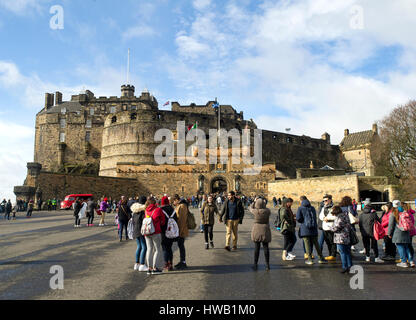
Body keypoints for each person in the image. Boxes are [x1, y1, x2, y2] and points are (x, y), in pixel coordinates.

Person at [296, 196, 326, 265]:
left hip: (305, 228)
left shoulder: (300, 208)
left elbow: (298, 218)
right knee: (316, 244)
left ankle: (309, 259)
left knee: (307, 244)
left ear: (301, 201)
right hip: (313, 228)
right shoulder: (312, 208)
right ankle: (321, 258)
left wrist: (302, 221)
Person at [144, 197, 166, 275]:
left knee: (149, 249)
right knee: (157, 249)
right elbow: (163, 221)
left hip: (147, 232)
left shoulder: (146, 210)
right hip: (156, 231)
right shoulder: (158, 210)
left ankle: (149, 268)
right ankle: (155, 268)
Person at [250, 197, 271, 271]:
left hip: (257, 229)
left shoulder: (256, 211)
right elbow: (266, 208)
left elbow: (250, 208)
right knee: (266, 248)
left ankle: (255, 264)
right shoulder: (268, 211)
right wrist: (264, 204)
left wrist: (254, 201)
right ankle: (267, 265)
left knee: (257, 248)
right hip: (265, 229)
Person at [330, 206, 353, 273]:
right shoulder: (345, 215)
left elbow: (337, 227)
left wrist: (331, 228)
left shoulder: (339, 217)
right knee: (348, 252)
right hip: (347, 236)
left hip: (340, 237)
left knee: (342, 253)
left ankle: (344, 267)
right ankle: (350, 266)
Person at [172, 194, 189, 270]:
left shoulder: (182, 206)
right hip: (180, 229)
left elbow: (181, 220)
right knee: (180, 245)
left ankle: (183, 262)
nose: (173, 203)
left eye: (173, 201)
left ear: (176, 200)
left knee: (181, 246)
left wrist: (179, 232)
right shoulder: (181, 206)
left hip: (181, 230)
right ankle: (182, 261)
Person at [160, 196, 177, 271]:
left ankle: (166, 263)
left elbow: (161, 221)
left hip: (164, 232)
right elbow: (176, 219)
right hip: (172, 231)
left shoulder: (161, 210)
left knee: (164, 248)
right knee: (170, 248)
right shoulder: (173, 209)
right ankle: (170, 263)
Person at [132, 196, 148, 272]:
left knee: (139, 247)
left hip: (135, 230)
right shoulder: (143, 211)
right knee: (144, 247)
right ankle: (142, 264)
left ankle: (137, 263)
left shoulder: (135, 211)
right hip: (140, 230)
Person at [319, 195, 337, 261]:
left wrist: (328, 218)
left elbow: (336, 216)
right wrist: (323, 218)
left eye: (326, 200)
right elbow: (320, 216)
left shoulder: (334, 207)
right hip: (325, 227)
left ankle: (333, 255)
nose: (324, 202)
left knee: (332, 242)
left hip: (331, 227)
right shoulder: (324, 207)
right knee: (328, 242)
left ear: (330, 200)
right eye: (323, 201)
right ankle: (330, 254)